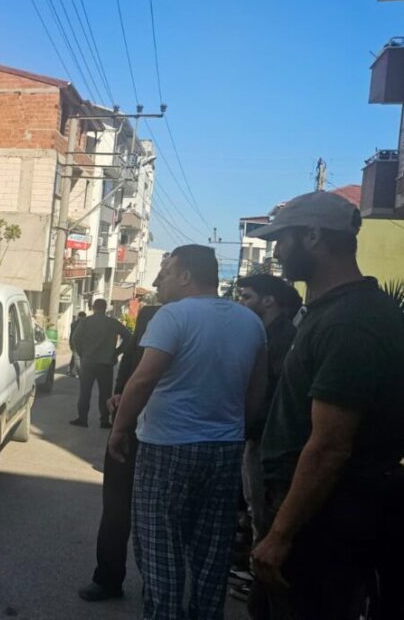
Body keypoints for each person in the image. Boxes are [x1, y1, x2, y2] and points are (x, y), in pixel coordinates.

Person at [246, 191, 404, 618]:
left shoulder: (350, 322)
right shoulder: (329, 311)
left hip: (319, 521)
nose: (275, 251)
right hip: (310, 513)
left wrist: (280, 535)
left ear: (313, 236)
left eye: (282, 239)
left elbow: (330, 446)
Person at [107, 245, 267, 620]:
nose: (159, 279)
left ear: (186, 275)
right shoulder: (250, 322)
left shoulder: (172, 316)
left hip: (167, 446)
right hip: (225, 448)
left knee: (158, 541)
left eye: (166, 270)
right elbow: (257, 390)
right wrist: (235, 427)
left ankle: (164, 614)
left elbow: (143, 379)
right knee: (211, 547)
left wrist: (120, 429)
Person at [78, 304, 160, 602]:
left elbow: (135, 381)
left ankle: (118, 580)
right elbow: (128, 370)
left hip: (141, 432)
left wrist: (120, 426)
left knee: (121, 510)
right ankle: (133, 580)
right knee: (124, 512)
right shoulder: (152, 322)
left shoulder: (153, 332)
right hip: (148, 430)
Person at [235, 274, 300, 544]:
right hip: (256, 433)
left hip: (267, 439)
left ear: (269, 301)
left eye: (247, 297)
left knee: (262, 511)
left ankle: (260, 575)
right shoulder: (263, 333)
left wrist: (253, 424)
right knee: (254, 507)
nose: (241, 302)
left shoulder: (283, 338)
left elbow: (274, 393)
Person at [68, 300, 131, 428]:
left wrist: (82, 353)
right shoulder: (112, 323)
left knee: (85, 392)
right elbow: (128, 336)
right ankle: (104, 420)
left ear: (93, 307)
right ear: (106, 308)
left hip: (88, 362)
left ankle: (82, 418)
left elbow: (75, 338)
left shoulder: (85, 322)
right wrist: (117, 352)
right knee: (105, 393)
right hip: (106, 363)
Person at [68, 311, 86, 378]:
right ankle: (79, 373)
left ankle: (70, 370)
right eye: (83, 317)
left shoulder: (75, 323)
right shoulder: (76, 324)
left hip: (76, 343)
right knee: (77, 358)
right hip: (76, 343)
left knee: (74, 357)